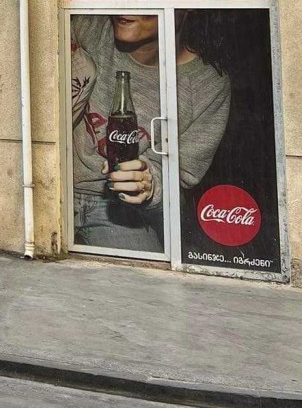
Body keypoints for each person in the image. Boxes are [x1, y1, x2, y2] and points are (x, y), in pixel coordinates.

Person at [71, 13, 231, 252]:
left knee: (144, 274)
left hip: (116, 207)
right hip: (53, 184)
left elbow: (180, 178)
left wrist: (149, 183)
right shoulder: (89, 27)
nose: (127, 5)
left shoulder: (206, 83)